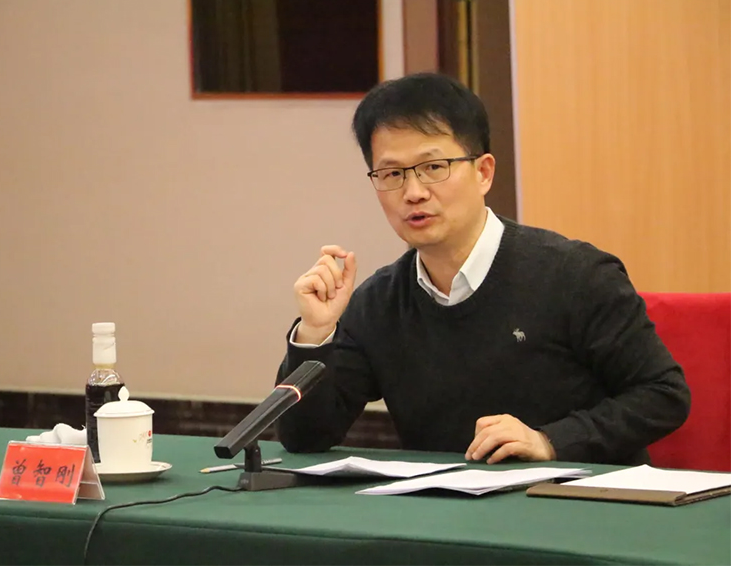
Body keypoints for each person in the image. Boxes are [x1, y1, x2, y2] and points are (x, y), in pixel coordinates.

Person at [275, 72, 690, 465]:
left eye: (433, 167)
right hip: (444, 509)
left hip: (578, 502)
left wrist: (551, 440)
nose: (413, 192)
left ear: (484, 173)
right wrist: (315, 334)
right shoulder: (378, 303)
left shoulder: (576, 275)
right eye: (392, 173)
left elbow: (663, 394)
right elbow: (305, 438)